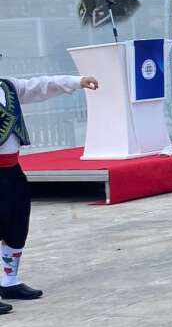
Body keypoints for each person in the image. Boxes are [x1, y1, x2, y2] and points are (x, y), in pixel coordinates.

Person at [0, 69, 98, 312]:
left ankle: (9, 280)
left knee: (17, 223)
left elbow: (40, 85)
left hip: (12, 170)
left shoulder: (7, 87)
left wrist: (76, 81)